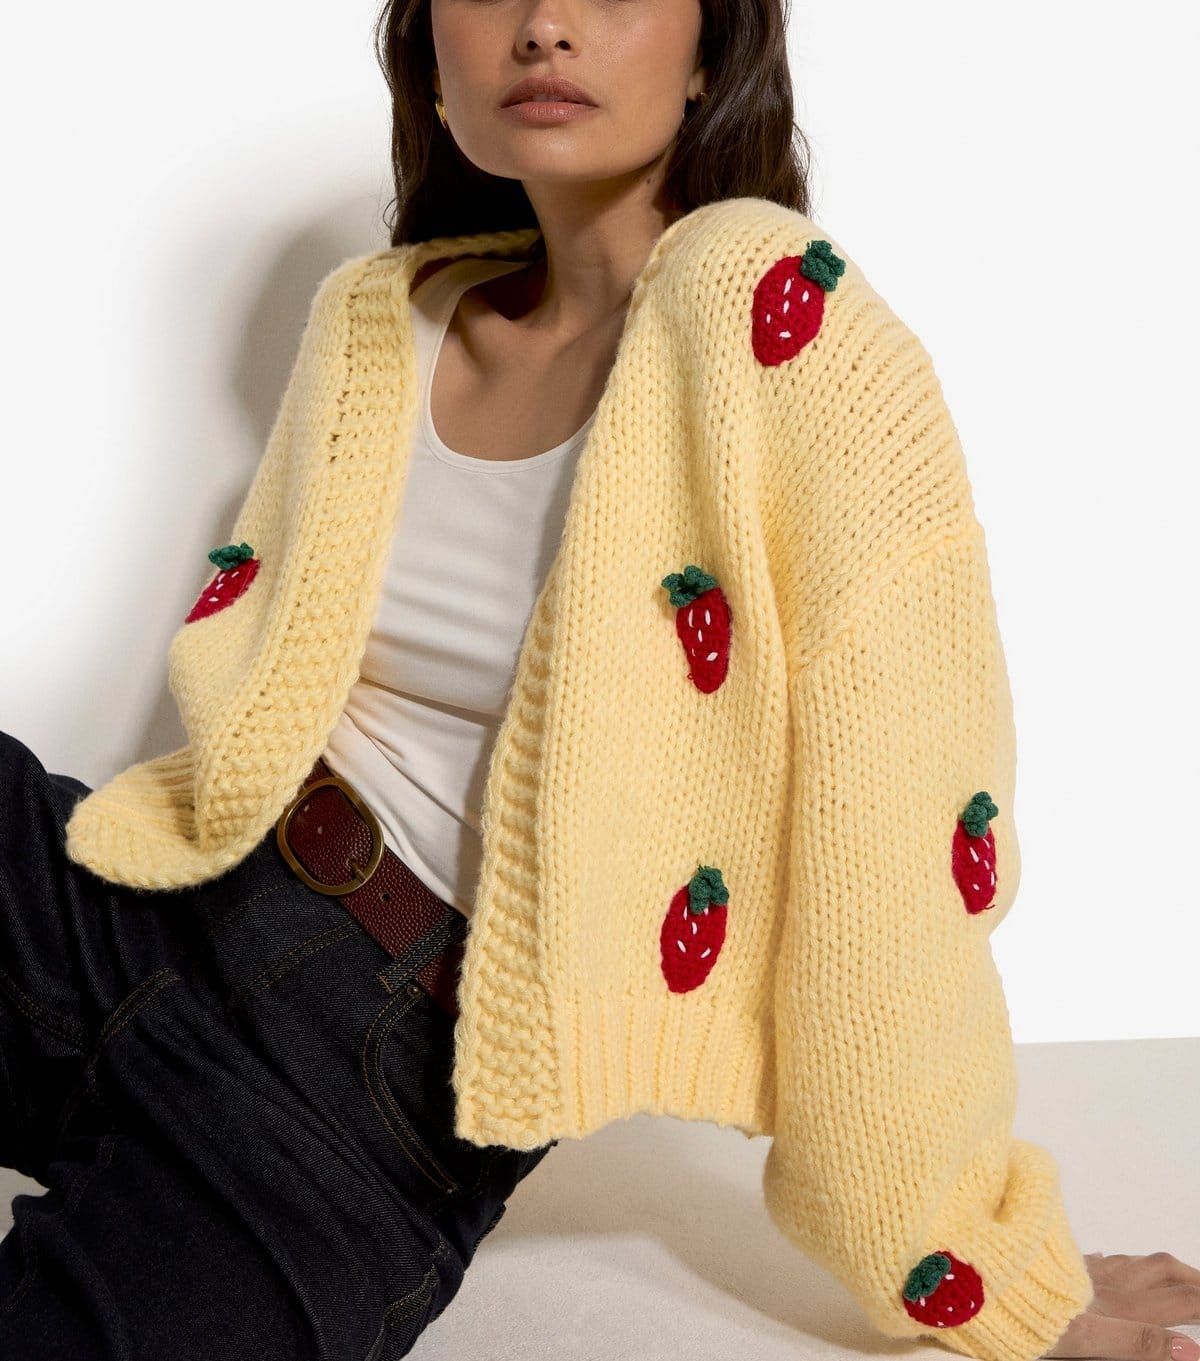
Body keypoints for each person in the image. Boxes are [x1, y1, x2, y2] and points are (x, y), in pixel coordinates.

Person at [2, 0, 1197, 1357]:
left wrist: (976, 1258)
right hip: (138, 910)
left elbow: (901, 837)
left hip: (363, 1088)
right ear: (430, 54)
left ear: (710, 55)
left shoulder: (785, 327)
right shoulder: (378, 318)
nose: (545, 25)